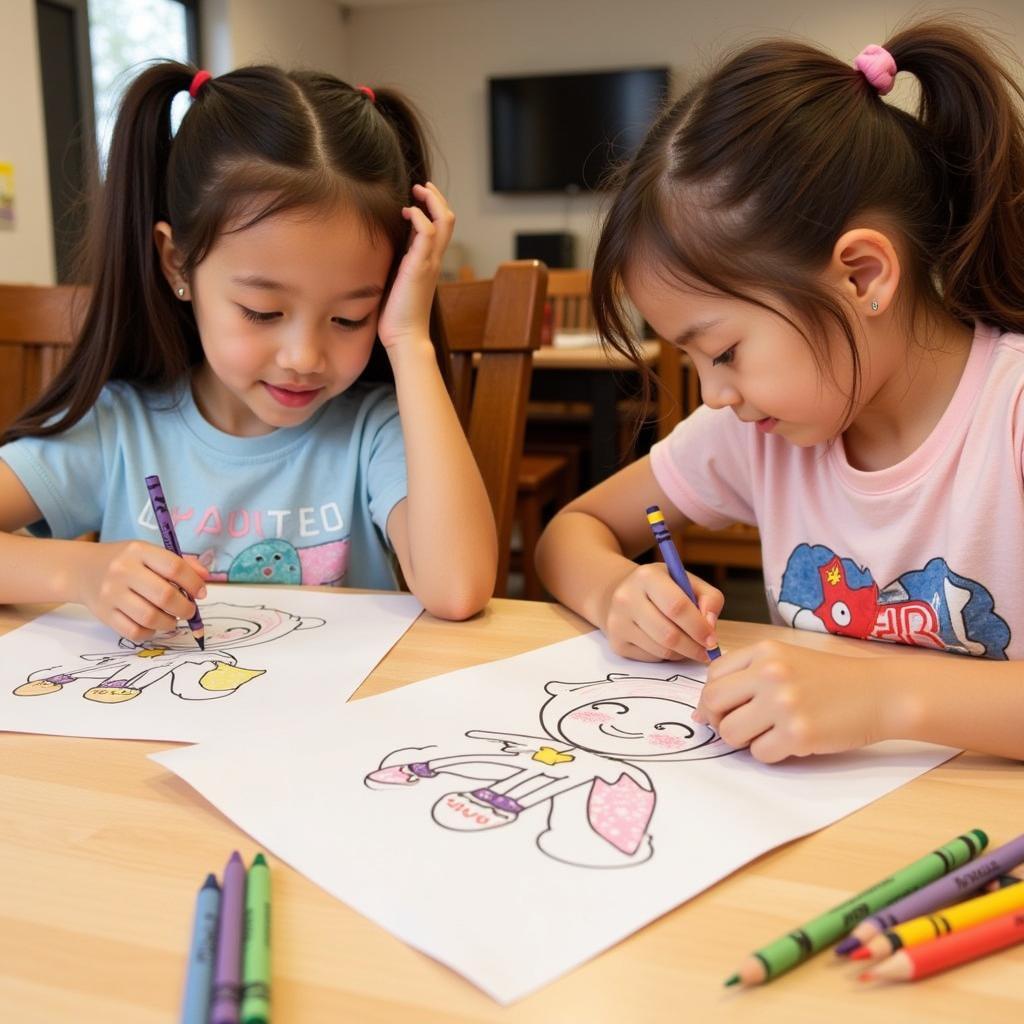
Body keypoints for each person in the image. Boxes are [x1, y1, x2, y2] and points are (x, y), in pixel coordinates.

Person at [535, 21, 1024, 763]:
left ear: (861, 276)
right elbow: (569, 532)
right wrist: (616, 596)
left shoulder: (1010, 415)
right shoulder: (753, 430)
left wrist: (882, 699)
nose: (715, 393)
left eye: (725, 350)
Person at [0, 63, 497, 638]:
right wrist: (81, 573)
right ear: (176, 262)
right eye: (262, 312)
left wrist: (410, 340)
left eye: (349, 317)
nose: (304, 356)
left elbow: (458, 588)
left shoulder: (372, 431)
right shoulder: (120, 428)